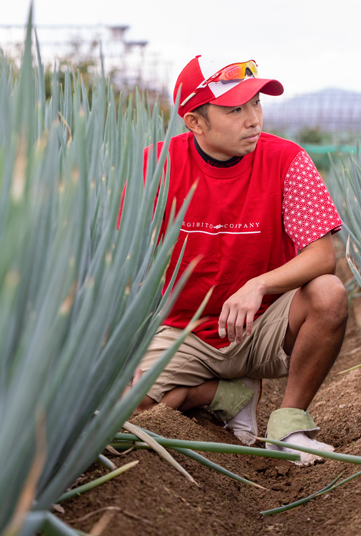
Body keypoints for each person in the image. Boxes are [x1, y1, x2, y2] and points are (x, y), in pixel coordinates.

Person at [132, 56, 348, 465]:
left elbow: (324, 256)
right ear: (196, 123)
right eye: (235, 109)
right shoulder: (155, 166)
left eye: (256, 104)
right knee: (133, 408)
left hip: (265, 324)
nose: (254, 119)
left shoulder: (288, 159)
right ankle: (227, 396)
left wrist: (259, 284)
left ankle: (288, 426)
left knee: (328, 293)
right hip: (186, 330)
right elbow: (122, 260)